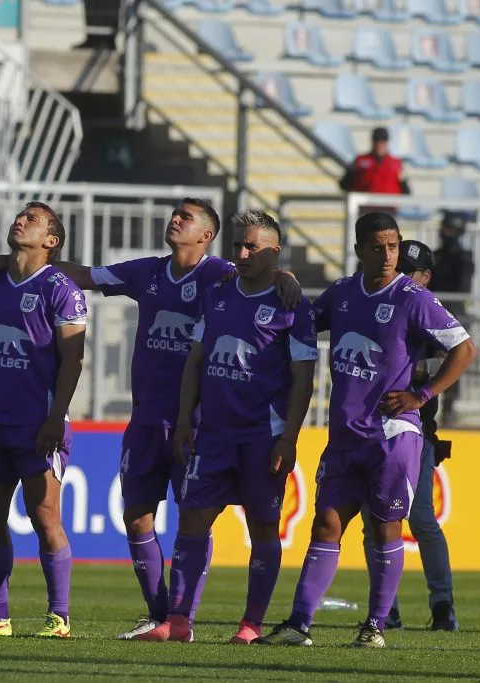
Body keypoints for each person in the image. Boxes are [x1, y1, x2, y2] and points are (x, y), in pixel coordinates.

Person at [0, 199, 299, 640]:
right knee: (136, 517)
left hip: (196, 424)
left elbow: (263, 271)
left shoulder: (220, 273)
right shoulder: (147, 272)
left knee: (194, 518)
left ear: (206, 235)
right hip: (146, 419)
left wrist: (286, 277)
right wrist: (24, 261)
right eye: (175, 213)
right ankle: (160, 613)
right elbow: (85, 275)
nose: (175, 219)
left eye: (185, 217)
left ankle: (186, 618)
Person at [256, 212, 477, 649]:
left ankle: (376, 626)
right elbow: (300, 321)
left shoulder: (413, 297)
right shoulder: (342, 293)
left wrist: (422, 394)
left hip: (392, 434)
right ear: (359, 249)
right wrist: (281, 279)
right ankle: (299, 624)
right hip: (345, 434)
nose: (388, 255)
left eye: (393, 246)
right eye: (378, 247)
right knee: (326, 524)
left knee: (385, 526)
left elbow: (465, 348)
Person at [149, 211, 318, 644]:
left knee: (262, 526)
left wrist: (289, 437)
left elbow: (303, 379)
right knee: (193, 519)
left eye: (251, 247)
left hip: (263, 436)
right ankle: (179, 620)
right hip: (213, 434)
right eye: (238, 245)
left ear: (274, 252)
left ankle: (251, 624)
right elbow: (195, 361)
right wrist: (185, 419)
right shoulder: (218, 294)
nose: (241, 253)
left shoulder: (292, 306)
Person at [0, 202, 88, 637]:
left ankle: (59, 617)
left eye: (33, 219)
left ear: (51, 240)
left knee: (45, 518)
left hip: (37, 425)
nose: (20, 220)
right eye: (20, 215)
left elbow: (73, 360)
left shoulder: (61, 289)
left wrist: (56, 417)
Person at [360, 240, 459, 632]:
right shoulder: (382, 300)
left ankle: (443, 604)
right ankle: (387, 609)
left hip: (414, 434)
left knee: (419, 519)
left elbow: (457, 352)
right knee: (375, 523)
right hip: (367, 428)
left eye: (410, 270)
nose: (400, 273)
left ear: (426, 277)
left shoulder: (426, 308)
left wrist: (416, 380)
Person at [430, 212, 474, 421]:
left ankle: (448, 408)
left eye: (449, 230)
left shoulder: (464, 258)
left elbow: (463, 289)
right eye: (443, 229)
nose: (444, 233)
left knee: (453, 361)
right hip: (431, 317)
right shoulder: (435, 256)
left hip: (454, 317)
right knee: (428, 363)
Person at [339, 128, 411, 216]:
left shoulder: (396, 164)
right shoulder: (360, 161)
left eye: (382, 142)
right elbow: (344, 184)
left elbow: (406, 190)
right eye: (376, 141)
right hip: (365, 209)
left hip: (388, 210)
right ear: (372, 142)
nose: (379, 145)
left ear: (387, 143)